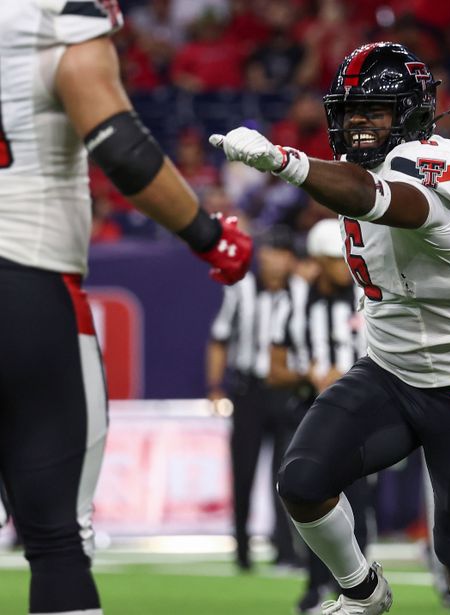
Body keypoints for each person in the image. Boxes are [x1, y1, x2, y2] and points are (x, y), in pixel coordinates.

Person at [212, 42, 450, 615]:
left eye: (375, 110)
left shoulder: (446, 165)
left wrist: (284, 163)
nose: (358, 124)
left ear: (413, 112)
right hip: (390, 371)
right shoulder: (355, 171)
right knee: (301, 481)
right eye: (350, 112)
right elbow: (362, 189)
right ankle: (364, 594)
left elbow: (383, 201)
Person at [0, 2, 252, 614]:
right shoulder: (50, 14)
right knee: (57, 539)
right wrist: (206, 234)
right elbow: (122, 148)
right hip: (22, 271)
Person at [269, 218, 373, 614]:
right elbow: (273, 369)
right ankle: (315, 589)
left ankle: (360, 593)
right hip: (308, 409)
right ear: (316, 259)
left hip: (357, 411)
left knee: (358, 504)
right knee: (310, 497)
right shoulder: (293, 303)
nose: (342, 266)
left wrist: (348, 377)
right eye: (333, 259)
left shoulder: (364, 296)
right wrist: (308, 374)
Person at [206, 226, 300, 571]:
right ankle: (242, 549)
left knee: (286, 473)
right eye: (268, 252)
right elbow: (219, 338)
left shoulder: (301, 293)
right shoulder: (241, 289)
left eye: (279, 253)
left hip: (287, 392)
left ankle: (285, 549)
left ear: (291, 259)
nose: (271, 259)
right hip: (247, 391)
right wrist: (215, 386)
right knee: (242, 471)